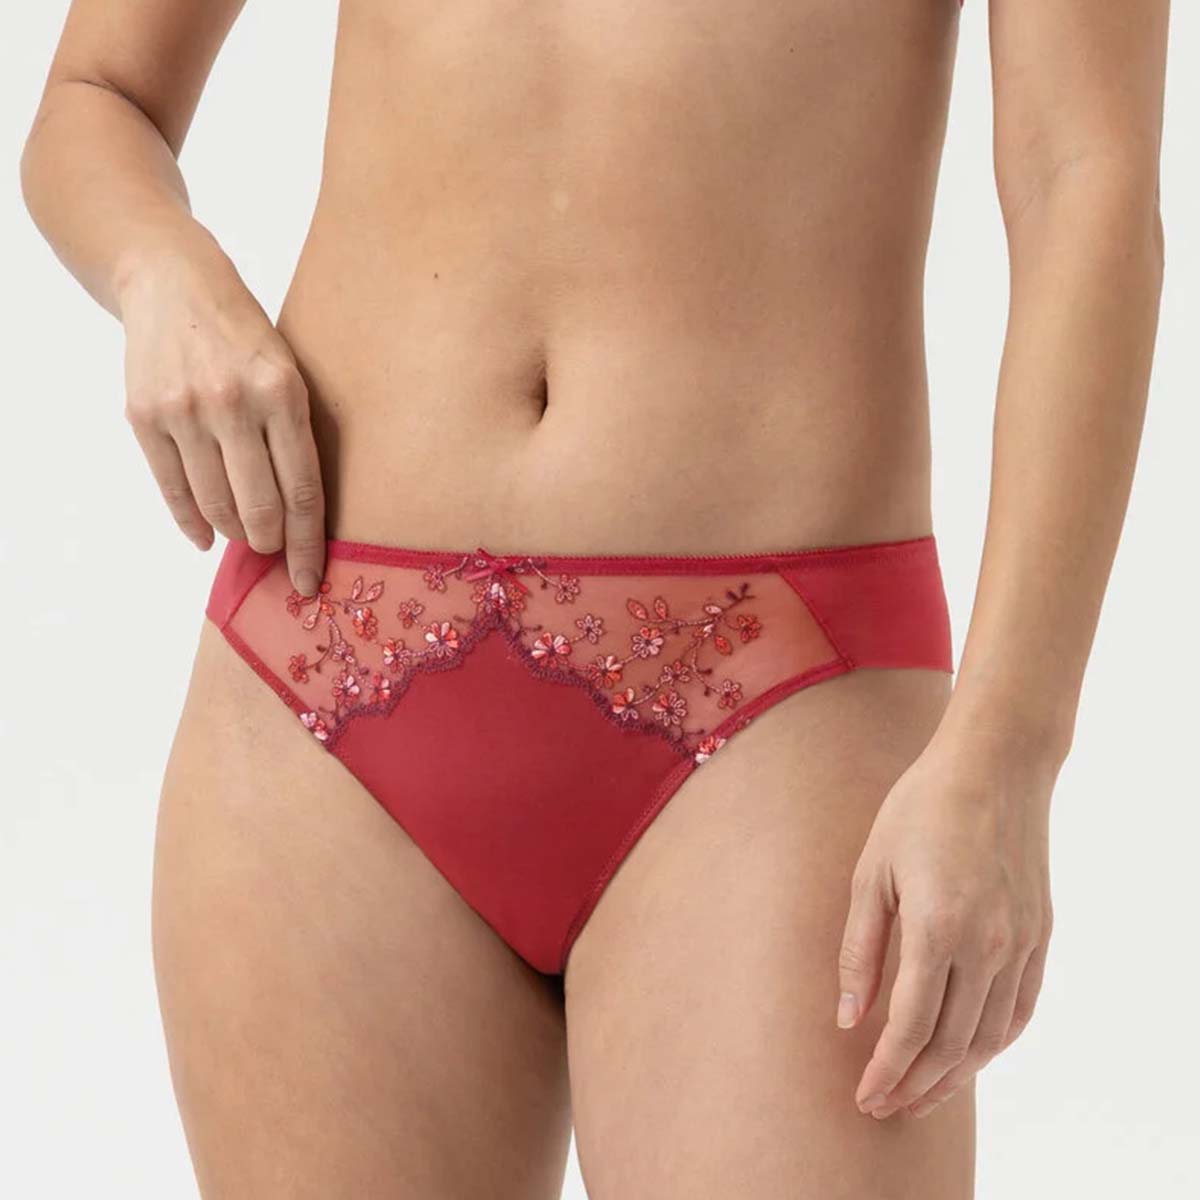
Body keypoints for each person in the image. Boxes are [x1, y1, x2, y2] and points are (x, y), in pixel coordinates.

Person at [20, 1, 1168, 1196]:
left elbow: (1084, 183)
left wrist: (1010, 752)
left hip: (775, 698)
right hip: (320, 663)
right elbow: (96, 96)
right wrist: (160, 269)